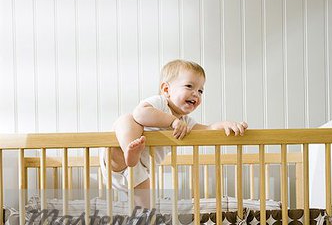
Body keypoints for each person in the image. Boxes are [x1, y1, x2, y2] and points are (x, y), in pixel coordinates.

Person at [100, 59, 248, 206]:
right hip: (118, 159)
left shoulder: (186, 122)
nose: (196, 94)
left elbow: (207, 130)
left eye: (200, 90)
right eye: (189, 86)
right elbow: (139, 114)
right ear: (166, 90)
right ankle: (129, 150)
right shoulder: (160, 103)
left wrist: (225, 124)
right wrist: (172, 121)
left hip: (140, 172)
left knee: (146, 209)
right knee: (127, 118)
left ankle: (145, 222)